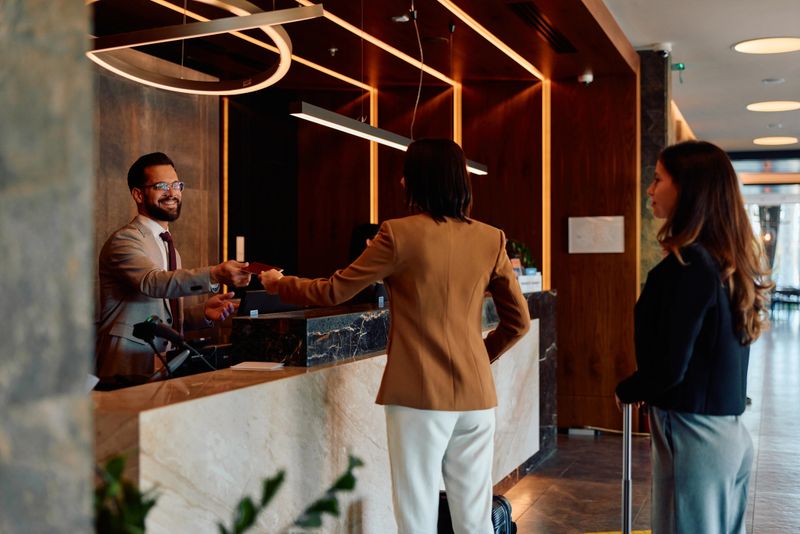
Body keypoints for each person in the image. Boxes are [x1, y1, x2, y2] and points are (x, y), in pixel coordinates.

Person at [260, 138, 530, 534]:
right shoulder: (491, 238)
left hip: (418, 398)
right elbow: (518, 322)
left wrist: (279, 283)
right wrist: (478, 358)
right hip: (477, 398)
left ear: (414, 181)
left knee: (416, 515)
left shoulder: (398, 234)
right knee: (474, 519)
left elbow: (334, 290)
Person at [615, 141, 772, 534]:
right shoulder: (726, 264)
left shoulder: (688, 266)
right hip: (727, 434)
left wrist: (628, 388)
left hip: (695, 437)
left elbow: (670, 364)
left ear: (688, 190)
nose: (649, 190)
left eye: (657, 180)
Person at [96, 152, 251, 381]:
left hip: (166, 366)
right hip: (128, 366)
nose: (172, 193)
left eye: (176, 185)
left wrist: (202, 313)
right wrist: (215, 274)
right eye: (161, 186)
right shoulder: (124, 241)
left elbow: (163, 317)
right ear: (138, 194)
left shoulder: (169, 247)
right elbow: (152, 283)